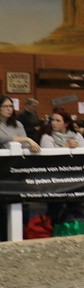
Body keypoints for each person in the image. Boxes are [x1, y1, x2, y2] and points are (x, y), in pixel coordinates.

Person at [1, 95, 41, 242]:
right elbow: (2, 139)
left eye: (11, 106)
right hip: (3, 172)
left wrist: (29, 144)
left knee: (22, 206)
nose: (9, 109)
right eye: (5, 106)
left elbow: (25, 145)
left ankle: (23, 234)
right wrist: (27, 139)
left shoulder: (18, 125)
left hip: (19, 170)